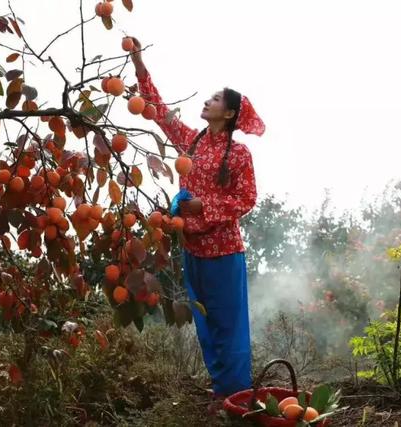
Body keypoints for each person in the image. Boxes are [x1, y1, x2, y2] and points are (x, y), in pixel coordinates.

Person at [128, 37, 266, 411]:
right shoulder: (191, 143)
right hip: (193, 250)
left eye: (216, 99)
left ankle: (237, 396)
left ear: (230, 114)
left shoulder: (238, 154)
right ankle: (222, 390)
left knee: (229, 325)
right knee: (206, 326)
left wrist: (206, 207)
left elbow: (246, 198)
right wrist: (139, 62)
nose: (207, 102)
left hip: (223, 252)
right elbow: (156, 109)